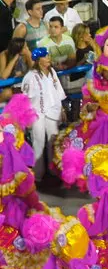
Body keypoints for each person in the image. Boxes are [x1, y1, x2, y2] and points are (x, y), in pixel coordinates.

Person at [20, 47, 64, 176]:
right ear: (38, 60)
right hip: (36, 113)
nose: (49, 58)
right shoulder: (30, 77)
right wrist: (27, 117)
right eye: (46, 56)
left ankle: (53, 170)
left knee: (53, 140)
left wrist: (61, 108)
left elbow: (58, 92)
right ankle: (38, 173)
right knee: (38, 141)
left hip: (52, 111)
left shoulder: (52, 72)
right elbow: (26, 99)